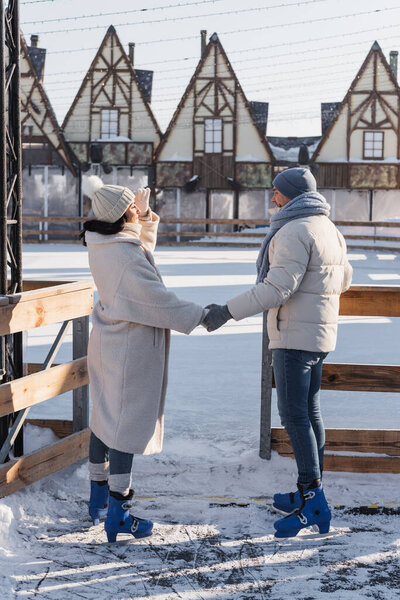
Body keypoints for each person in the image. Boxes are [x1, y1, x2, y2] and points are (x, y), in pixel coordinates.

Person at [203, 167, 353, 538]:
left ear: (292, 196)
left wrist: (227, 310)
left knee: (295, 417)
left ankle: (314, 502)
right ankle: (308, 491)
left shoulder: (293, 231)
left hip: (293, 336)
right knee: (310, 413)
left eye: (277, 192)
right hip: (319, 336)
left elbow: (276, 289)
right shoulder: (329, 229)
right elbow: (344, 279)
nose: (272, 197)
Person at [81, 177, 205, 542]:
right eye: (131, 207)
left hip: (108, 340)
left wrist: (145, 215)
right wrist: (201, 315)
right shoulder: (122, 255)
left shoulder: (103, 242)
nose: (137, 207)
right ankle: (119, 511)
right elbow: (155, 299)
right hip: (129, 348)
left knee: (103, 418)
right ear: (120, 216)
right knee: (125, 426)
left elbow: (137, 251)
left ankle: (98, 498)